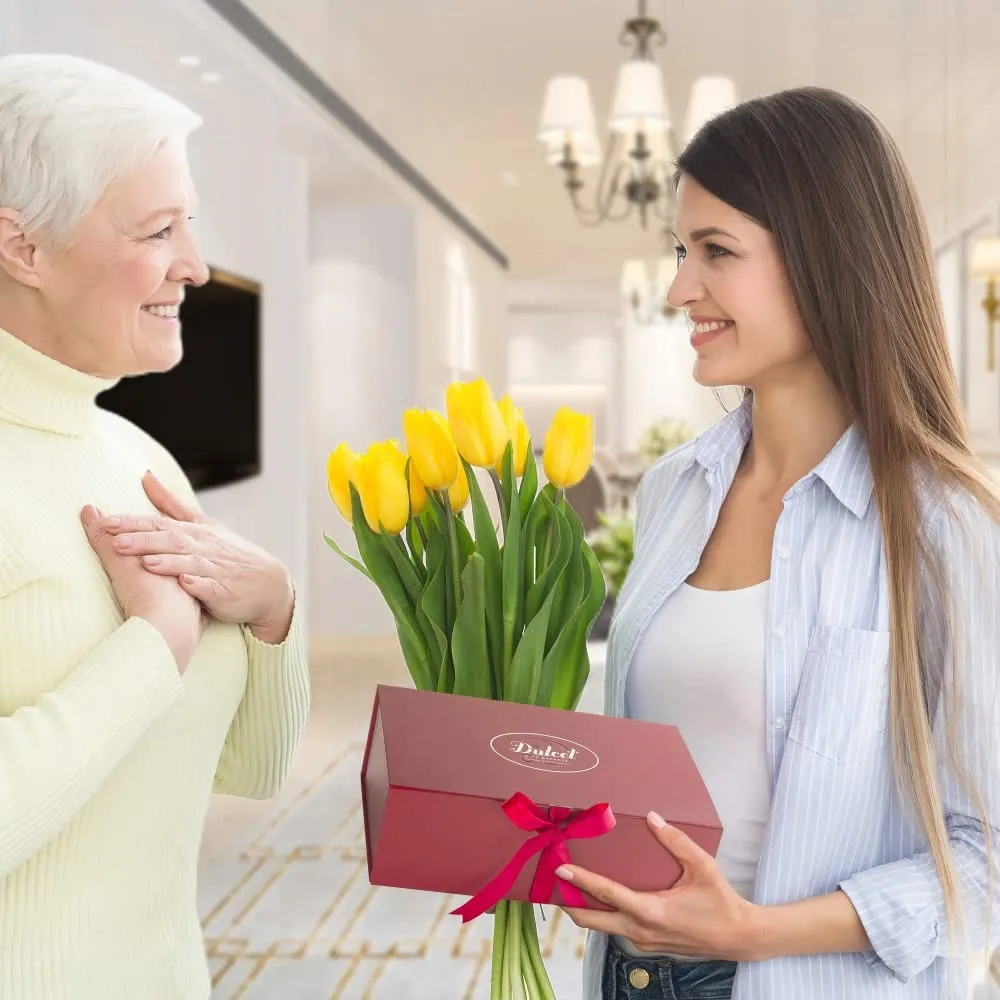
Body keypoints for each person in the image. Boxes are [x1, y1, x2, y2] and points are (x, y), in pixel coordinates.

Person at [557, 87, 1000, 999]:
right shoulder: (681, 490)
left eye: (718, 252)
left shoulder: (947, 526)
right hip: (634, 977)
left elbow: (987, 861)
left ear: (829, 258)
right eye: (683, 251)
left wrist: (754, 934)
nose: (682, 287)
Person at [0, 54, 310, 997]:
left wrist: (274, 618)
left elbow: (244, 770)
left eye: (191, 225)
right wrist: (156, 643)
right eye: (156, 229)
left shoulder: (138, 455)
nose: (196, 265)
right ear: (22, 250)